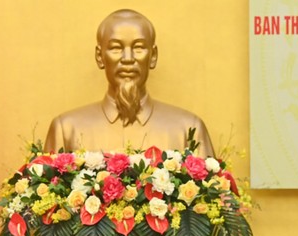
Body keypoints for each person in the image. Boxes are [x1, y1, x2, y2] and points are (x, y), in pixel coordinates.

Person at [44, 9, 214, 155]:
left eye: (138, 47)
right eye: (116, 48)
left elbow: (216, 192)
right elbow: (46, 190)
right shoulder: (66, 130)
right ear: (99, 56)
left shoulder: (188, 130)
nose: (128, 58)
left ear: (153, 56)